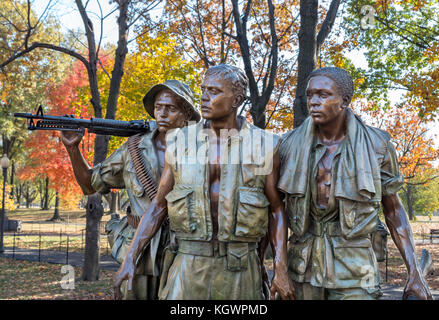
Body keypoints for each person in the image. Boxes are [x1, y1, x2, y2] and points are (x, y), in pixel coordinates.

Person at [114, 64, 295, 300]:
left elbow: (276, 210)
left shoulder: (265, 145)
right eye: (203, 89)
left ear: (236, 100)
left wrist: (280, 268)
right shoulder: (179, 141)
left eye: (214, 91)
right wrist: (130, 257)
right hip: (188, 264)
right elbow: (158, 206)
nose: (204, 97)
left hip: (240, 268)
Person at [278, 67, 432, 300]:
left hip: (355, 269)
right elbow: (274, 210)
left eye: (323, 94)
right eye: (310, 95)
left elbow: (393, 210)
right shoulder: (288, 145)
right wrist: (277, 269)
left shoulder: (377, 145)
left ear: (345, 100)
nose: (314, 102)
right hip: (303, 268)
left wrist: (414, 272)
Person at [60, 80, 200, 299]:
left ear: (187, 114)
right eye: (158, 107)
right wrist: (73, 149)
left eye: (171, 108)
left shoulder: (204, 152)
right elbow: (90, 184)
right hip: (140, 252)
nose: (161, 113)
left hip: (186, 251)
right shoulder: (133, 149)